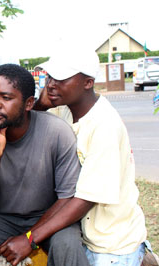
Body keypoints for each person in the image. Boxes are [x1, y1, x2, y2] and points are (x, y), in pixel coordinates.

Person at [0, 64, 90, 266]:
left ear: (29, 104)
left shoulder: (56, 132)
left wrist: (29, 238)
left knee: (66, 243)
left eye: (6, 98)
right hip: (2, 219)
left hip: (50, 215)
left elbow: (67, 199)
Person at [34, 46, 147, 266]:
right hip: (85, 236)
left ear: (88, 83)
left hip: (111, 246)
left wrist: (29, 239)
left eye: (61, 78)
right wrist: (40, 105)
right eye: (50, 77)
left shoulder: (105, 126)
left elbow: (84, 200)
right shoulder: (64, 110)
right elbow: (30, 124)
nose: (51, 85)